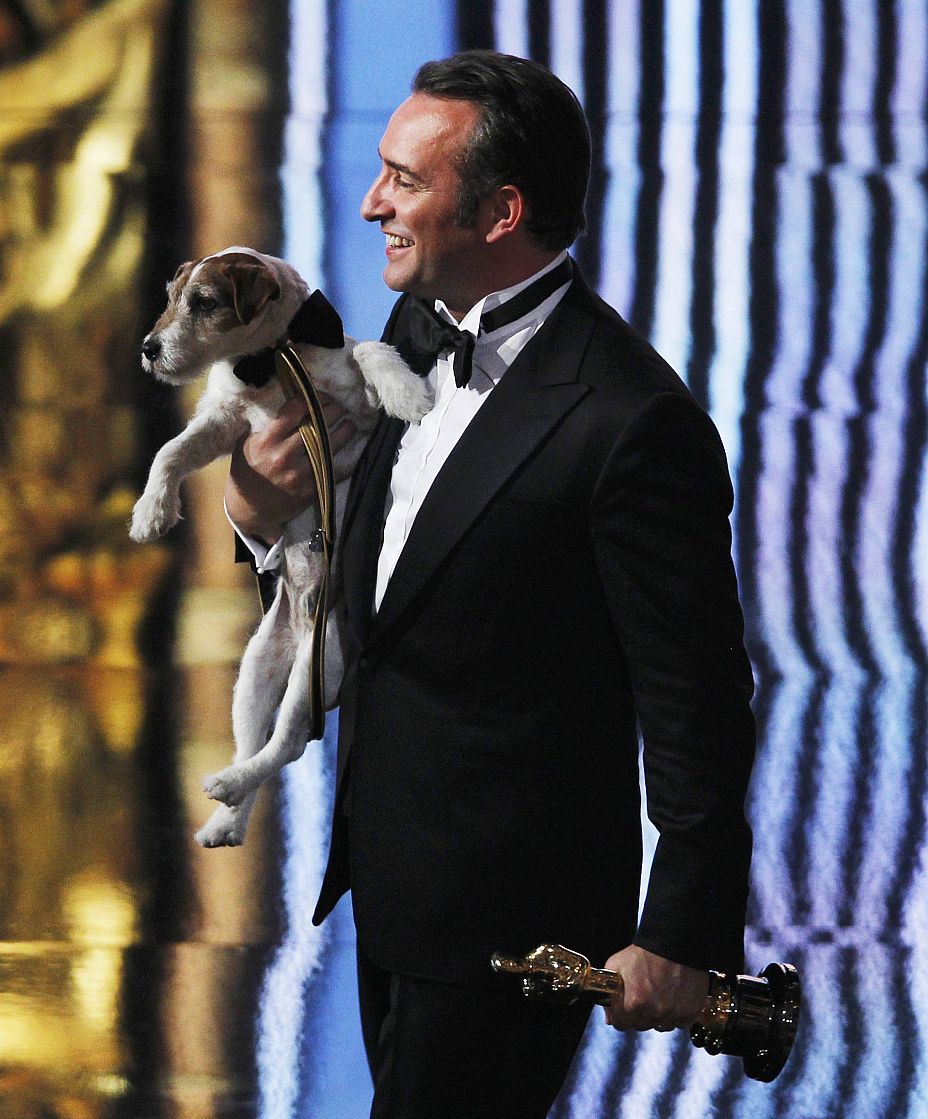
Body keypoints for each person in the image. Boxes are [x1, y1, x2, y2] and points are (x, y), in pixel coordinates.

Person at [225, 50, 756, 1118]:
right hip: (390, 894)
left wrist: (680, 933)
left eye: (404, 180)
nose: (372, 203)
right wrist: (258, 514)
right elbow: (384, 589)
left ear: (501, 212)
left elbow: (696, 698)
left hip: (517, 932)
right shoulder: (414, 332)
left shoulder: (631, 420)